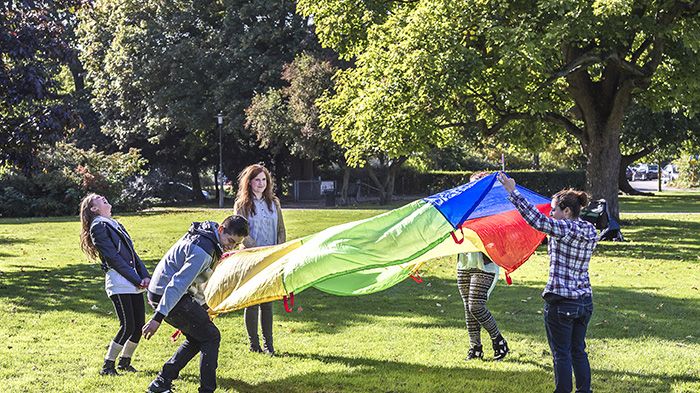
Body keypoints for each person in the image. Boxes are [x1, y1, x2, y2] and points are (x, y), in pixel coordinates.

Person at [498, 172, 597, 393]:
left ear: (567, 211)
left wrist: (513, 192)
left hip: (562, 303)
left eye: (554, 210)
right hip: (584, 302)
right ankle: (584, 390)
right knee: (578, 350)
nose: (551, 213)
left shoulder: (565, 229)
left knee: (561, 353)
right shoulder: (590, 229)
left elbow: (538, 221)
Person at [142, 215, 249, 393]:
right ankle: (206, 390)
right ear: (221, 230)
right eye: (230, 240)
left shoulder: (208, 237)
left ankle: (161, 383)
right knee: (211, 336)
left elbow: (195, 280)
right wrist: (157, 318)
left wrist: (203, 306)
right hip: (168, 296)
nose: (231, 246)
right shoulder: (203, 250)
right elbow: (178, 283)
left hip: (167, 294)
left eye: (236, 244)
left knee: (198, 337)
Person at [79, 193, 150, 376]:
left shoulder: (115, 223)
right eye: (101, 200)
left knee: (138, 326)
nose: (105, 199)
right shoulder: (98, 226)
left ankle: (125, 362)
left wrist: (145, 276)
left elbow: (133, 254)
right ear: (94, 209)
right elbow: (113, 258)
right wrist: (137, 279)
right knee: (127, 326)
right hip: (119, 283)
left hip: (132, 282)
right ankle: (107, 366)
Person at [233, 164, 286, 355]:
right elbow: (241, 233)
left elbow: (281, 229)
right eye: (257, 180)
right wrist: (257, 250)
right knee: (252, 301)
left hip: (271, 257)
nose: (261, 184)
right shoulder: (242, 205)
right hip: (251, 257)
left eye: (264, 180)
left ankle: (269, 345)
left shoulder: (274, 203)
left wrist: (279, 249)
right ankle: (254, 345)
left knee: (268, 302)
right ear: (250, 182)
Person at [457, 172, 509, 361]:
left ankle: (498, 341)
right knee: (467, 307)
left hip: (485, 263)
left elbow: (501, 234)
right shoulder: (464, 208)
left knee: (476, 305)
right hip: (464, 262)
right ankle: (475, 348)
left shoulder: (495, 209)